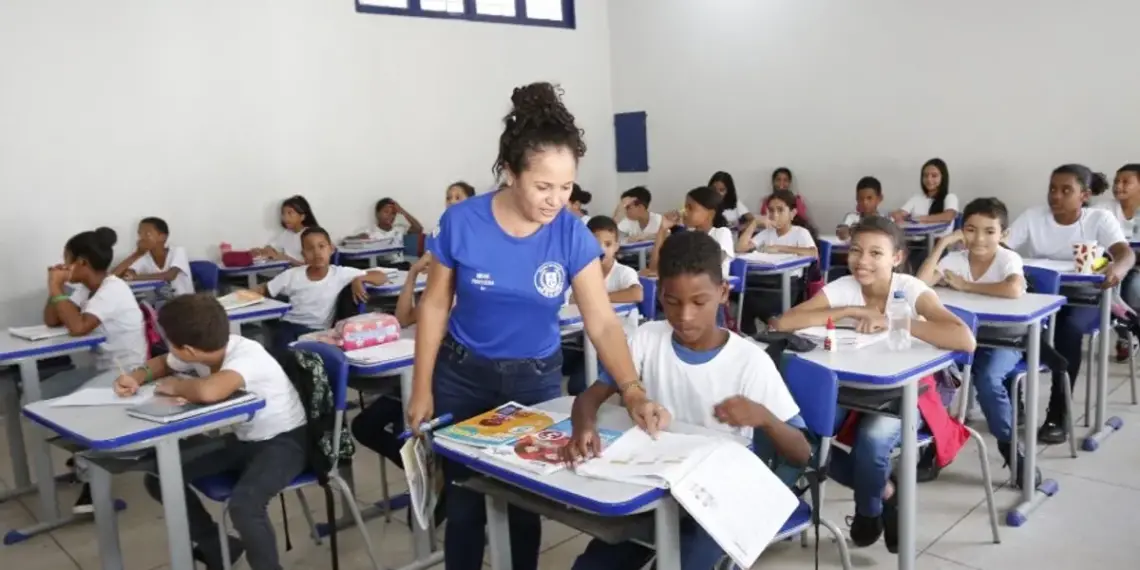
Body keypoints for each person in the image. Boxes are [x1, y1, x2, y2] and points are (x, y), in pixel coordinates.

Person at [406, 82, 646, 570]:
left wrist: (632, 387)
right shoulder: (462, 221)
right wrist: (421, 386)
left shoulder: (570, 233)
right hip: (463, 375)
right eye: (543, 186)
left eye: (566, 187)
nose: (556, 199)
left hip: (532, 381)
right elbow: (434, 306)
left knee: (524, 505)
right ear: (511, 173)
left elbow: (600, 319)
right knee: (465, 504)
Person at [565, 231, 810, 570]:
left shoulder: (750, 362)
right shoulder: (646, 339)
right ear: (660, 294)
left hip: (717, 500)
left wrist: (764, 417)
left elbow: (801, 453)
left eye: (699, 302)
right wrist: (585, 427)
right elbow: (587, 399)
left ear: (723, 293)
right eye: (672, 301)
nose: (685, 317)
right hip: (654, 487)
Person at [770, 215, 975, 553]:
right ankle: (886, 493)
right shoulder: (846, 286)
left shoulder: (909, 289)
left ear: (896, 257)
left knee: (874, 439)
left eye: (876, 253)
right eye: (856, 250)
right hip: (854, 390)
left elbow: (964, 339)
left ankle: (869, 510)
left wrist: (895, 321)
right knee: (800, 430)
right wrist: (850, 310)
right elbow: (785, 322)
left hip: (908, 393)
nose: (862, 261)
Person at [112, 294, 307, 570]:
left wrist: (176, 386)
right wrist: (136, 377)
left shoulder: (246, 354)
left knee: (245, 507)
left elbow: (209, 391)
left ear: (189, 350)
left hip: (285, 442)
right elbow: (164, 363)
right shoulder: (206, 349)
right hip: (243, 439)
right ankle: (218, 546)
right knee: (160, 477)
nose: (168, 348)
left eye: (170, 342)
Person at [1005, 164, 1135, 444]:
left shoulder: (1098, 219)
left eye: (1066, 190)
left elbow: (1124, 254)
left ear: (1084, 195)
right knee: (1009, 325)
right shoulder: (1033, 216)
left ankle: (1058, 411)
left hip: (1085, 297)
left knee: (1068, 331)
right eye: (1052, 189)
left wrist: (1118, 270)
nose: (1056, 196)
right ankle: (1013, 401)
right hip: (1043, 294)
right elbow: (1002, 247)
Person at [916, 197, 1038, 487]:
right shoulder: (955, 259)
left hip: (1005, 341)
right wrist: (942, 244)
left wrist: (966, 285)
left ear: (1003, 235)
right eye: (970, 230)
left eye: (989, 231)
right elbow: (919, 286)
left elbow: (1013, 289)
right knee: (931, 378)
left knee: (986, 378)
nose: (979, 238)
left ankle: (1012, 450)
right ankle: (938, 443)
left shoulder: (1008, 258)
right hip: (961, 338)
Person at [42, 227, 147, 513]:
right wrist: (58, 289)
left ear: (82, 263)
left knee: (71, 403)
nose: (62, 265)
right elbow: (52, 320)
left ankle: (93, 485)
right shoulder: (86, 288)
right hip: (102, 370)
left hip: (127, 373)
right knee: (44, 394)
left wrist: (54, 288)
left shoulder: (112, 289)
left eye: (67, 260)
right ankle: (83, 456)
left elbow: (77, 328)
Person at [247, 227, 388, 358]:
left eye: (321, 246)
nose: (317, 253)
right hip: (288, 327)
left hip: (317, 332)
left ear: (331, 249)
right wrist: (237, 298)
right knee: (278, 359)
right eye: (310, 249)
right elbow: (264, 289)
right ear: (303, 255)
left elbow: (381, 276)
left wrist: (359, 279)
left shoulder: (340, 274)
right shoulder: (292, 275)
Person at [563, 216, 644, 395]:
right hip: (582, 339)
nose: (601, 250)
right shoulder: (579, 273)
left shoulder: (623, 272)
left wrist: (595, 298)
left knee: (578, 386)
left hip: (615, 341)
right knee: (554, 363)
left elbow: (636, 293)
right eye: (595, 243)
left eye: (608, 244)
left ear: (616, 246)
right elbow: (570, 300)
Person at [734, 189, 818, 334]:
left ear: (792, 213)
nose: (774, 215)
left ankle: (766, 328)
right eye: (771, 210)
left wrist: (779, 248)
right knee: (739, 296)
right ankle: (754, 335)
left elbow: (813, 253)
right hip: (763, 282)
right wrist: (754, 223)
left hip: (787, 284)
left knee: (748, 303)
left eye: (780, 210)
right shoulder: (767, 233)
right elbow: (740, 248)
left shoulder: (800, 232)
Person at [644, 186, 734, 279]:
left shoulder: (721, 233)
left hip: (708, 291)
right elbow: (654, 267)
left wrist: (669, 272)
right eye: (685, 207)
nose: (684, 212)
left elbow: (708, 268)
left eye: (690, 208)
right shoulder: (686, 236)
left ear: (710, 214)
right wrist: (662, 229)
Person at [891, 158, 960, 270]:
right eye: (925, 175)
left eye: (934, 176)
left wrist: (921, 219)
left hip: (938, 246)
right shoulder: (916, 198)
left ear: (943, 177)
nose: (929, 179)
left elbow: (948, 216)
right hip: (913, 244)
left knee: (912, 266)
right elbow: (900, 214)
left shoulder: (949, 197)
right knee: (895, 258)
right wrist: (898, 215)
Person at [1101, 164, 1140, 360]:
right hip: (1109, 263)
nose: (1118, 186)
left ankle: (1131, 330)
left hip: (1137, 267)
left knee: (1132, 286)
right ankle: (1127, 333)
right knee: (1110, 279)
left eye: (1126, 182)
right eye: (1116, 181)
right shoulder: (1103, 210)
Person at [111, 217, 195, 297]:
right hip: (161, 305)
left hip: (185, 302)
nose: (141, 238)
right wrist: (137, 254)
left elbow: (170, 276)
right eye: (140, 234)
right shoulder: (143, 256)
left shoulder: (178, 251)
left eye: (147, 234)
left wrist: (136, 277)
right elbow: (113, 276)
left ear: (162, 237)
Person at [349, 197, 424, 269]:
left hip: (398, 266)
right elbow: (346, 242)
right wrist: (358, 239)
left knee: (405, 265)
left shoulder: (399, 229)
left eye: (393, 213)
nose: (390, 216)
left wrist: (402, 211)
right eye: (386, 212)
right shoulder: (369, 231)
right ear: (377, 213)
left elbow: (419, 228)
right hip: (378, 267)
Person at [254, 195, 318, 266]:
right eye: (283, 214)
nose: (285, 218)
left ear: (302, 217)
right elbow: (272, 247)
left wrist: (286, 259)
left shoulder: (311, 235)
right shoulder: (287, 233)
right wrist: (263, 251)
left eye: (290, 213)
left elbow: (312, 267)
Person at [837, 176, 885, 241]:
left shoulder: (885, 221)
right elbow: (842, 234)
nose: (865, 202)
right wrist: (846, 231)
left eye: (869, 198)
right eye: (861, 198)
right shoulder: (851, 218)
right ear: (856, 198)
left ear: (880, 198)